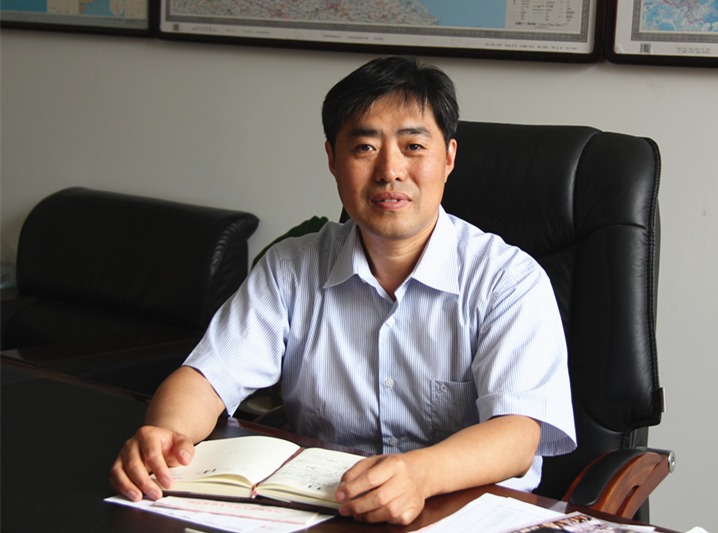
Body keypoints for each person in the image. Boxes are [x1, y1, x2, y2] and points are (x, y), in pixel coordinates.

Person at [110, 56, 577, 525]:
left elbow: (518, 435)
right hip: (328, 511)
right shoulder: (291, 269)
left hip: (467, 516)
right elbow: (208, 377)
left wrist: (421, 475)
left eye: (414, 146)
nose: (390, 170)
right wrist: (165, 434)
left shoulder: (507, 281)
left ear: (449, 157)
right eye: (365, 148)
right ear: (333, 160)